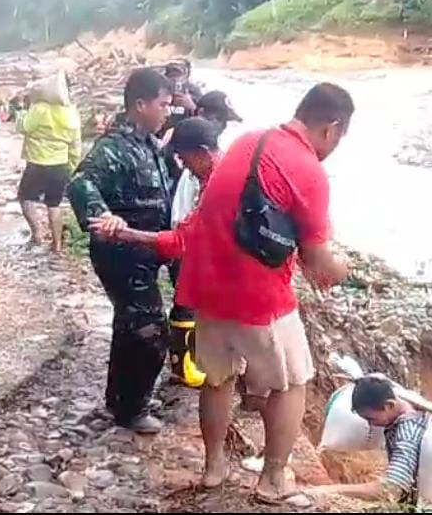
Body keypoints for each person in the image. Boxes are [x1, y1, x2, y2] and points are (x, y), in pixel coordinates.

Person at [173, 83, 353, 501]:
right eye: (339, 138)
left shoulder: (247, 141)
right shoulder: (309, 168)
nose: (334, 146)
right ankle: (273, 480)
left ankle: (214, 468)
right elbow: (320, 258)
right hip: (256, 296)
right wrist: (343, 270)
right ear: (332, 128)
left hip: (205, 283)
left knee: (216, 380)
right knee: (293, 380)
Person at [68, 68, 173, 434]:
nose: (167, 110)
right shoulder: (114, 147)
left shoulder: (147, 144)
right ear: (140, 105)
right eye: (163, 103)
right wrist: (103, 216)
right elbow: (81, 183)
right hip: (121, 253)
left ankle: (122, 399)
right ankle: (133, 408)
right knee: (150, 330)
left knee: (129, 326)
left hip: (144, 252)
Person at [89, 117, 222, 388]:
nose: (184, 167)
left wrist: (124, 233)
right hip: (208, 265)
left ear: (203, 153)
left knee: (181, 319)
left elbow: (183, 241)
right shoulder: (220, 174)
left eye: (185, 160)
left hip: (218, 272)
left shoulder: (219, 186)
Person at [305, 375, 429, 504]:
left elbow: (390, 489)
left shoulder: (407, 434)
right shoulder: (406, 406)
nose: (370, 425)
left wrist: (328, 490)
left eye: (371, 419)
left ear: (389, 405)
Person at [19, 81, 83, 253]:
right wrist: (72, 165)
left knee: (25, 198)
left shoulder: (39, 108)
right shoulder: (71, 112)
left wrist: (23, 111)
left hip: (37, 162)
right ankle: (57, 245)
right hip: (60, 164)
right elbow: (76, 143)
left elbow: (24, 127)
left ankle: (37, 234)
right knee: (54, 205)